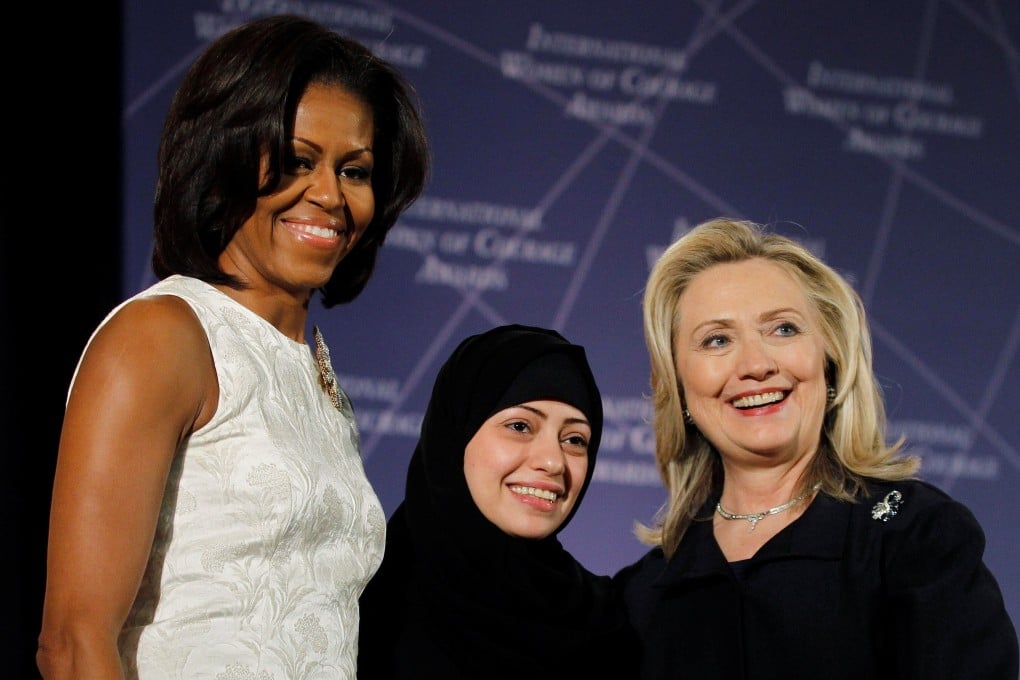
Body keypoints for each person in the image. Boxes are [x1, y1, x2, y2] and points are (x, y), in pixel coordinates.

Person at [36, 14, 429, 679]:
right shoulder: (163, 336)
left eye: (354, 170)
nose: (330, 195)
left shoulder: (316, 374)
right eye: (299, 161)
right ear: (224, 157)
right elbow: (74, 645)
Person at [614, 218, 1018, 679]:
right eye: (717, 340)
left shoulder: (915, 537)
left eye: (783, 329)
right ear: (680, 388)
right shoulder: (641, 596)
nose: (756, 364)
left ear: (829, 361)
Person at [358, 324, 639, 678]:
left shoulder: (608, 625)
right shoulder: (361, 610)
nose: (553, 461)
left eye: (574, 439)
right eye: (520, 426)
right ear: (455, 435)